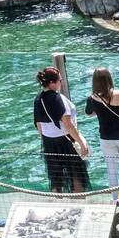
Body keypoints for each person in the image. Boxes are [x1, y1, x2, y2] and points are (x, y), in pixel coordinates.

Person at [33, 66, 90, 196]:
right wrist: (81, 143)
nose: (61, 82)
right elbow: (68, 125)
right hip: (66, 141)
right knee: (77, 175)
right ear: (52, 83)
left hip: (48, 142)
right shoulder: (58, 99)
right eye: (59, 80)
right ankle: (79, 203)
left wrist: (48, 138)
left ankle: (57, 203)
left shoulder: (38, 99)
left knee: (56, 178)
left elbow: (38, 126)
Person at [84, 67, 119, 190]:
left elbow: (88, 113)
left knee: (111, 170)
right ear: (109, 79)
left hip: (106, 138)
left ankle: (115, 198)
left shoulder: (92, 99)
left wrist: (100, 110)